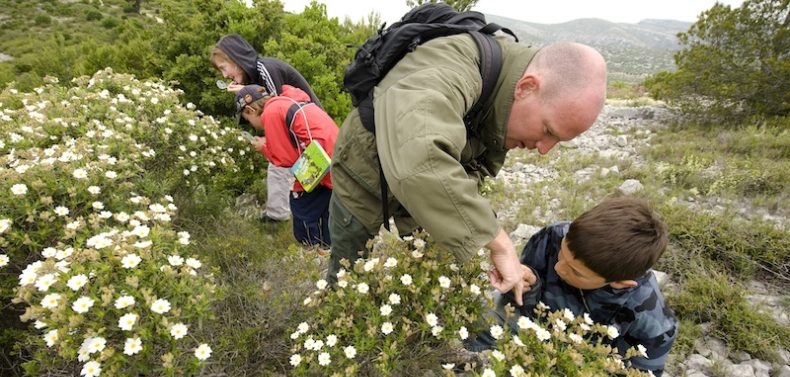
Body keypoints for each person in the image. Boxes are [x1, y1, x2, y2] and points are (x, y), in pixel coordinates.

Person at [327, 34, 607, 302]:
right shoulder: (452, 66)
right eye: (548, 130)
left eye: (558, 141)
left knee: (436, 268)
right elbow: (419, 158)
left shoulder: (506, 106)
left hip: (430, 184)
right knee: (346, 266)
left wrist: (476, 234)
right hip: (363, 169)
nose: (544, 149)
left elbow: (476, 170)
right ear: (526, 87)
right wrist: (497, 240)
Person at [471, 197, 677, 377]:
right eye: (561, 254)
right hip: (532, 326)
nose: (559, 268)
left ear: (619, 283)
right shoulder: (554, 235)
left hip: (579, 366)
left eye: (576, 272)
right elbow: (515, 302)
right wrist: (531, 285)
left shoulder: (653, 321)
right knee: (479, 320)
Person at [210, 34, 322, 224]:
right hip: (304, 133)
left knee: (299, 175)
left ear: (235, 59)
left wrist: (245, 92)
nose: (224, 75)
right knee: (295, 175)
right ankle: (285, 219)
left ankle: (294, 223)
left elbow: (278, 105)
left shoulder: (264, 68)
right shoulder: (254, 76)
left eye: (224, 67)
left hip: (310, 132)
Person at [235, 84, 337, 248]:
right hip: (334, 154)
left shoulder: (271, 113)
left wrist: (263, 147)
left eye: (248, 121)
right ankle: (328, 248)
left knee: (301, 207)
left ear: (250, 110)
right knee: (325, 209)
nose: (252, 126)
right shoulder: (288, 101)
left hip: (317, 159)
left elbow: (285, 160)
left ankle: (311, 252)